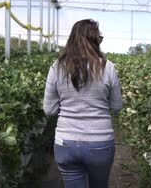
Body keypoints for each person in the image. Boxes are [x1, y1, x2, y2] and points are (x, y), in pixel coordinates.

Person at [43, 19, 123, 188]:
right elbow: (117, 106)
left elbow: (49, 110)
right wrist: (97, 104)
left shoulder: (56, 67)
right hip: (100, 143)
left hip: (65, 143)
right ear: (95, 40)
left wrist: (69, 107)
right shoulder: (108, 68)